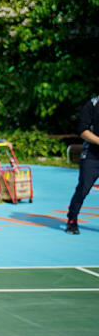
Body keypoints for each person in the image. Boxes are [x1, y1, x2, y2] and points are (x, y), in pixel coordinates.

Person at [65, 94, 99, 235]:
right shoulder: (92, 104)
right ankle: (72, 219)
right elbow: (83, 131)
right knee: (83, 189)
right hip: (92, 155)